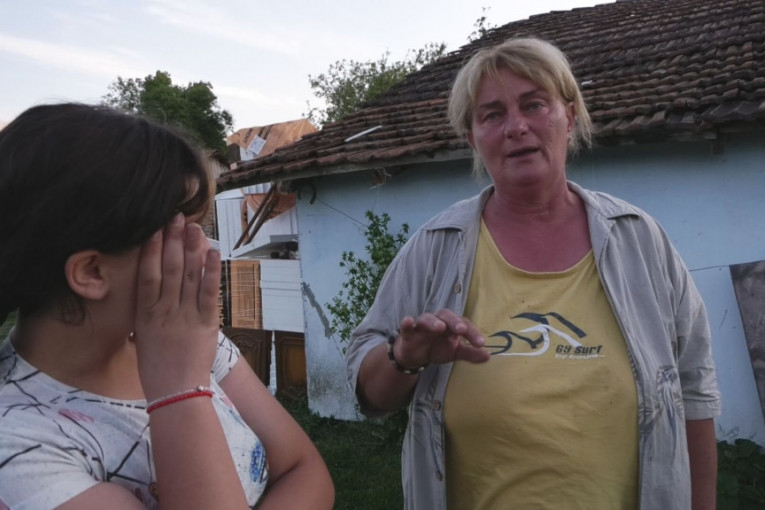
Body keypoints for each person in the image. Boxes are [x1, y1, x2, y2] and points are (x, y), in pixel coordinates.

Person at [346, 37, 721, 510]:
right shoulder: (434, 248)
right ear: (473, 139)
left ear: (570, 117)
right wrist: (405, 357)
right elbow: (368, 394)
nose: (516, 127)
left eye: (534, 105)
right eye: (492, 115)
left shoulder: (640, 240)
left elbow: (695, 393)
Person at [0, 103, 335, 509]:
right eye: (181, 233)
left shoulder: (189, 342)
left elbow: (305, 469)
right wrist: (179, 389)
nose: (205, 249)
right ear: (92, 272)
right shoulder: (18, 446)